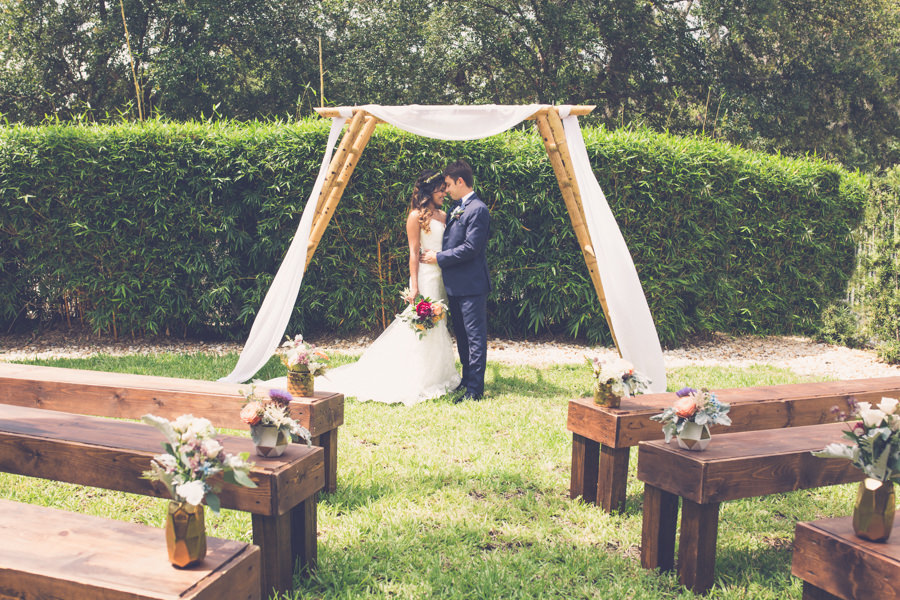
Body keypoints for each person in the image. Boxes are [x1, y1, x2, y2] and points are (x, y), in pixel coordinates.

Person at [312, 169, 461, 405]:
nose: (444, 192)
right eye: (440, 188)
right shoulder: (415, 216)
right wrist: (414, 286)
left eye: (445, 188)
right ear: (428, 190)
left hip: (443, 275)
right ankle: (418, 375)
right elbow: (413, 252)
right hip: (426, 277)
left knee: (439, 322)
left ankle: (438, 373)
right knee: (424, 326)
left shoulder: (446, 215)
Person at [421, 159, 490, 401]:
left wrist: (439, 257)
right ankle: (466, 380)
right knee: (461, 335)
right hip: (455, 285)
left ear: (460, 182)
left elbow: (471, 248)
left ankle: (475, 390)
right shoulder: (456, 208)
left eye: (449, 184)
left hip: (472, 285)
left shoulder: (478, 209)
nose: (446, 189)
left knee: (474, 338)